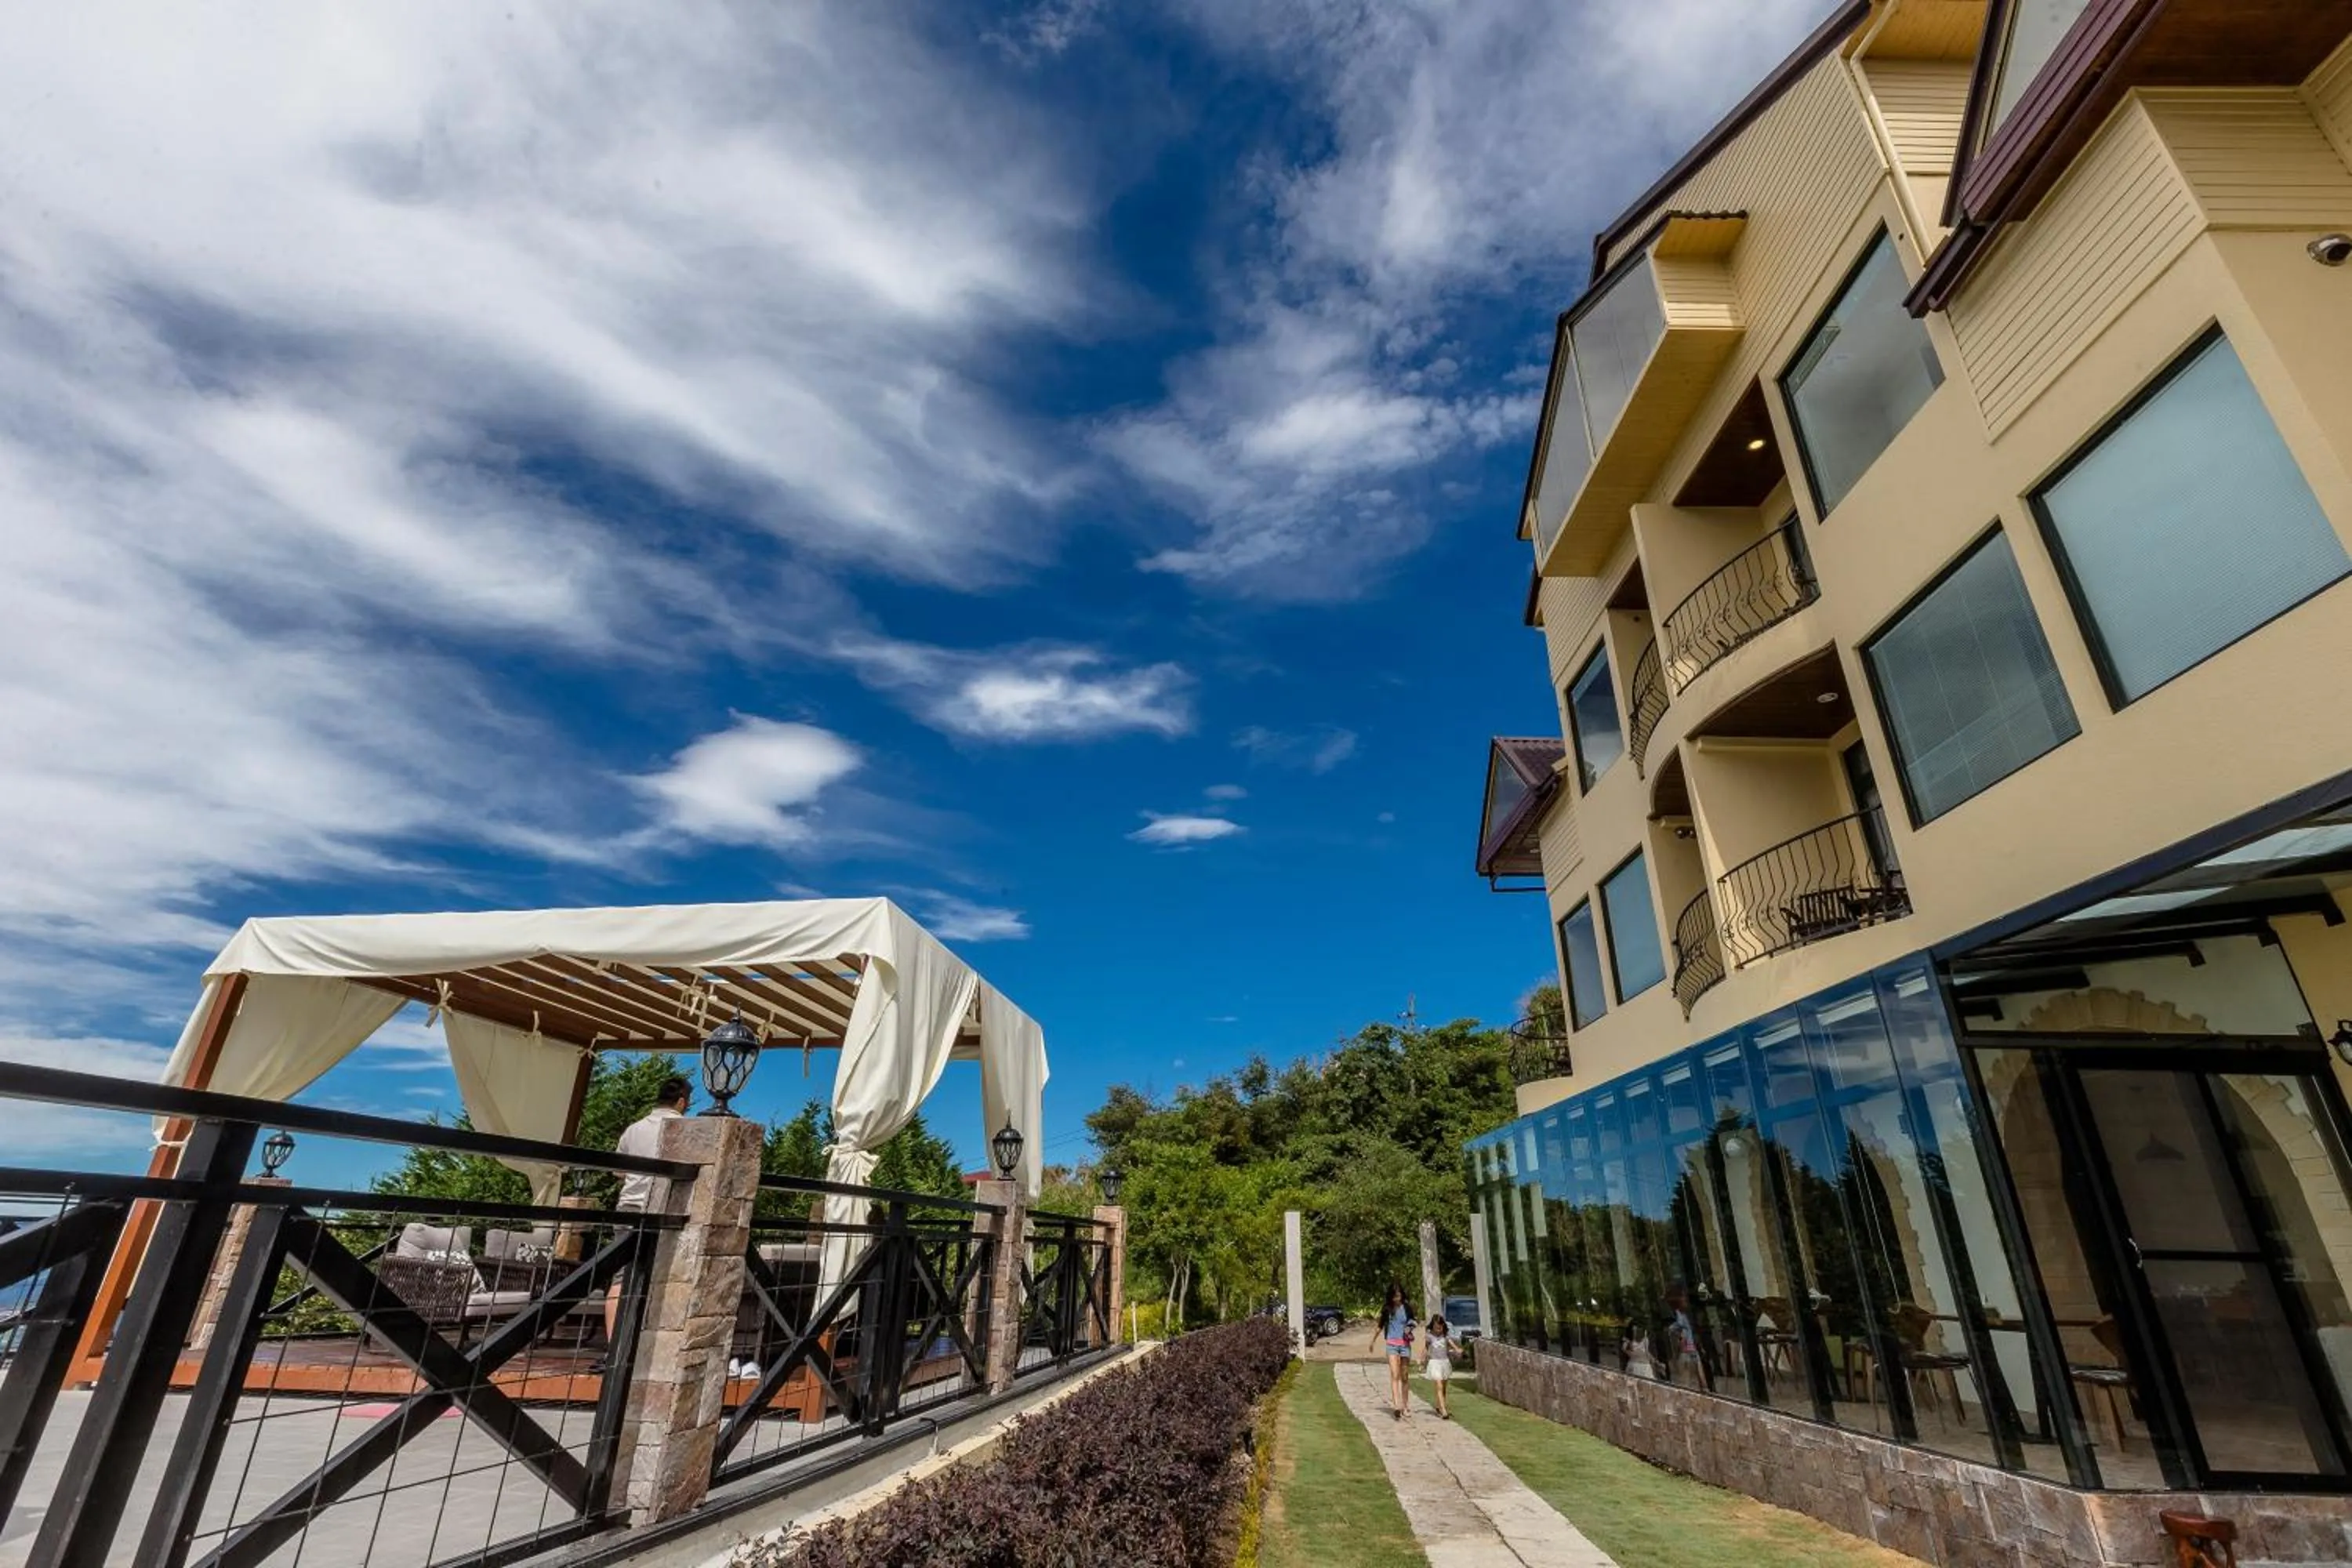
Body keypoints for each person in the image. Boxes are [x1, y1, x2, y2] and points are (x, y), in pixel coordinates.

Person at [603, 1075, 691, 1350]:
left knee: (621, 1277)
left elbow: (619, 1171)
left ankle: (615, 1347)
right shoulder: (684, 1128)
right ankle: (651, 1346)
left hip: (628, 1207)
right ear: (680, 1101)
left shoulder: (634, 1129)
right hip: (661, 1210)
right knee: (664, 1275)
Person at [1369, 1281, 1414, 1421]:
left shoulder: (1407, 1308)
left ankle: (1405, 1405)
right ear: (1391, 1297)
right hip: (1392, 1344)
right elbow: (1380, 1326)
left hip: (1405, 1344)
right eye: (1395, 1296)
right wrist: (1373, 1341)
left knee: (1404, 1376)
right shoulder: (1387, 1309)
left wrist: (1410, 1328)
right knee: (1395, 1374)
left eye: (1399, 1296)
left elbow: (1413, 1321)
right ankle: (1397, 1405)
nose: (1397, 1299)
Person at [1421, 1313, 1457, 1420]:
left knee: (1444, 1387)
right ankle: (1444, 1411)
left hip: (1444, 1363)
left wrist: (1457, 1349)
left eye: (1440, 1327)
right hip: (1434, 1363)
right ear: (1433, 1326)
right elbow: (1426, 1348)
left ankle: (1439, 1406)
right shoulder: (1429, 1336)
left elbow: (1452, 1345)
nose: (1438, 1330)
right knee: (1439, 1386)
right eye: (1437, 1327)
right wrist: (1422, 1359)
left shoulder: (1445, 1336)